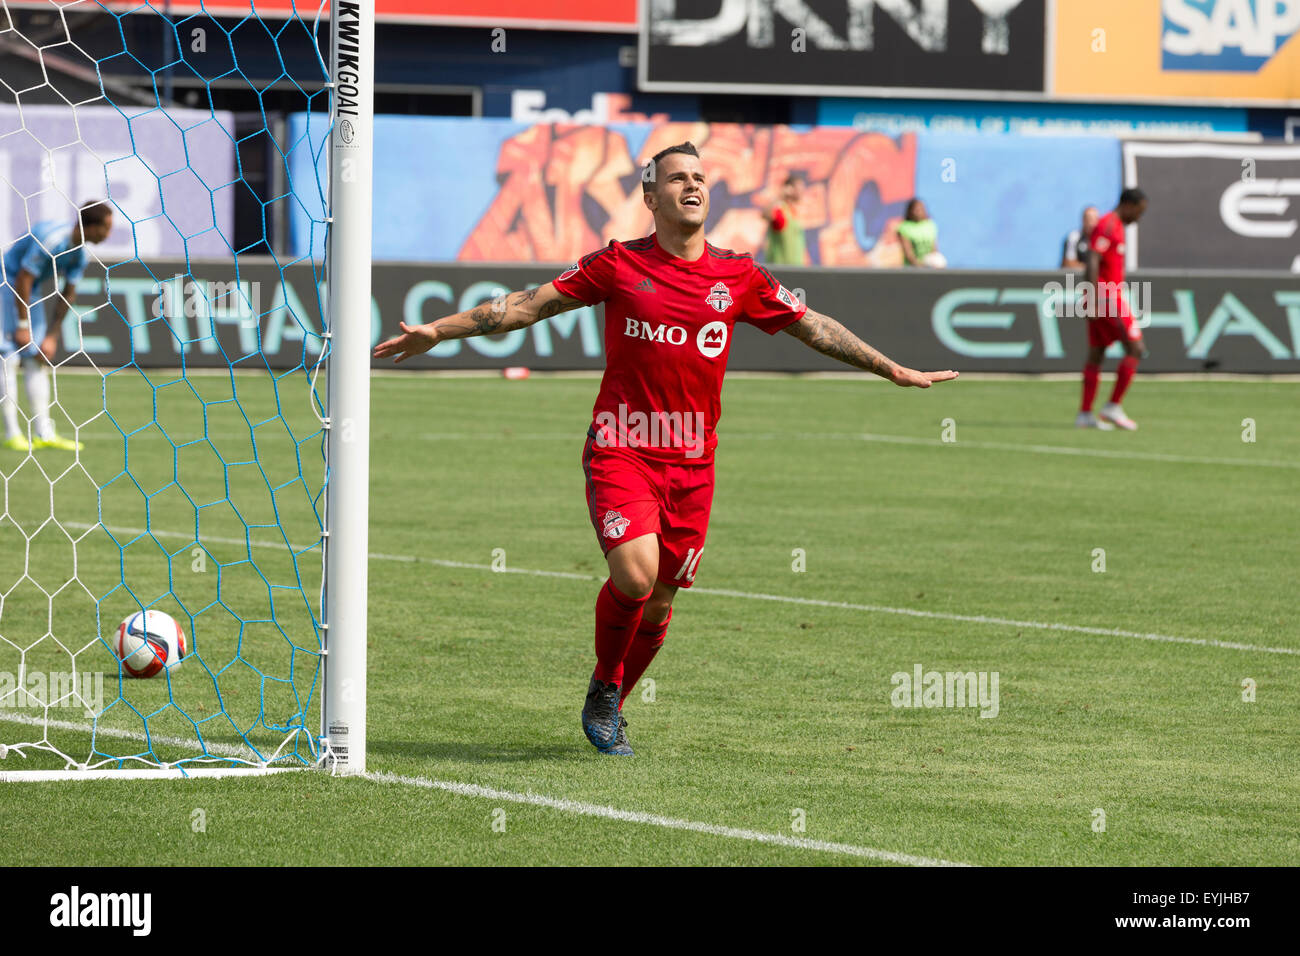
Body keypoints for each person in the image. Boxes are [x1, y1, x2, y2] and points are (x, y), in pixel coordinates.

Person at [374, 142, 959, 756]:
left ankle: (610, 700)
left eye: (700, 177)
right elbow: (526, 306)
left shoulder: (739, 276)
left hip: (693, 464)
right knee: (634, 574)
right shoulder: (617, 265)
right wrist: (439, 330)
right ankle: (606, 684)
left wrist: (889, 367)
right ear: (651, 199)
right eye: (678, 178)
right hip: (622, 449)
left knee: (659, 606)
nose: (693, 186)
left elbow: (813, 326)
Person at [1, 201, 114, 451]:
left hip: (28, 292)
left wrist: (51, 336)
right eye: (106, 228)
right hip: (7, 284)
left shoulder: (79, 253)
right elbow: (23, 276)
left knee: (37, 357)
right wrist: (22, 324)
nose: (109, 234)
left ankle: (44, 432)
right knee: (8, 357)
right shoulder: (52, 239)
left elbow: (67, 295)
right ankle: (12, 433)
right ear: (91, 226)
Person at [1077, 188, 1148, 431]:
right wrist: (1094, 297)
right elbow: (1093, 259)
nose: (1138, 218)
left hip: (1102, 296)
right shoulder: (1108, 224)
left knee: (1096, 353)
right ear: (1129, 205)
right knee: (1136, 347)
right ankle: (1113, 406)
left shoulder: (1115, 226)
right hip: (1106, 297)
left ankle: (1085, 414)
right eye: (1139, 212)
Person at [761, 172, 808, 266]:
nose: (803, 191)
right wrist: (781, 196)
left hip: (795, 269)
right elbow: (765, 214)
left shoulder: (794, 213)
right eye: (799, 188)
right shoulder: (781, 210)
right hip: (780, 270)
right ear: (790, 189)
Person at [897, 198, 945, 268]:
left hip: (929, 267)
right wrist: (920, 266)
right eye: (916, 209)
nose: (919, 212)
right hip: (912, 269)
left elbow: (934, 249)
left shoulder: (930, 225)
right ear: (910, 211)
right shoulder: (904, 227)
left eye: (921, 209)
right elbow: (908, 254)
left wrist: (934, 263)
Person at [1061, 206, 1099, 271]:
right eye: (1088, 219)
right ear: (1083, 220)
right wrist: (1091, 267)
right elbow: (1068, 263)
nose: (1091, 224)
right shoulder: (1074, 237)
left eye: (1094, 219)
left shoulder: (1102, 239)